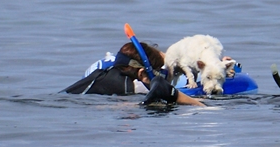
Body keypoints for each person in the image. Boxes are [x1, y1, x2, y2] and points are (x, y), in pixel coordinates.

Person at [63, 41, 202, 106]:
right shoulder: (138, 87)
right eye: (161, 72)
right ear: (142, 74)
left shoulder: (105, 73)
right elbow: (163, 90)